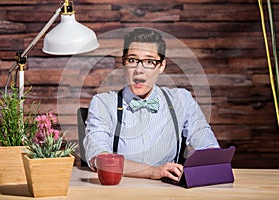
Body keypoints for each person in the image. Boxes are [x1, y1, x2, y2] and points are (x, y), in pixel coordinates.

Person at [84, 28, 219, 182]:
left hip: (168, 192)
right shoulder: (103, 103)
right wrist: (152, 171)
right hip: (119, 191)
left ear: (161, 66)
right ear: (124, 63)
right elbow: (100, 158)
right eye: (132, 60)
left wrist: (211, 157)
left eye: (149, 62)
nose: (139, 70)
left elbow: (209, 148)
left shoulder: (181, 100)